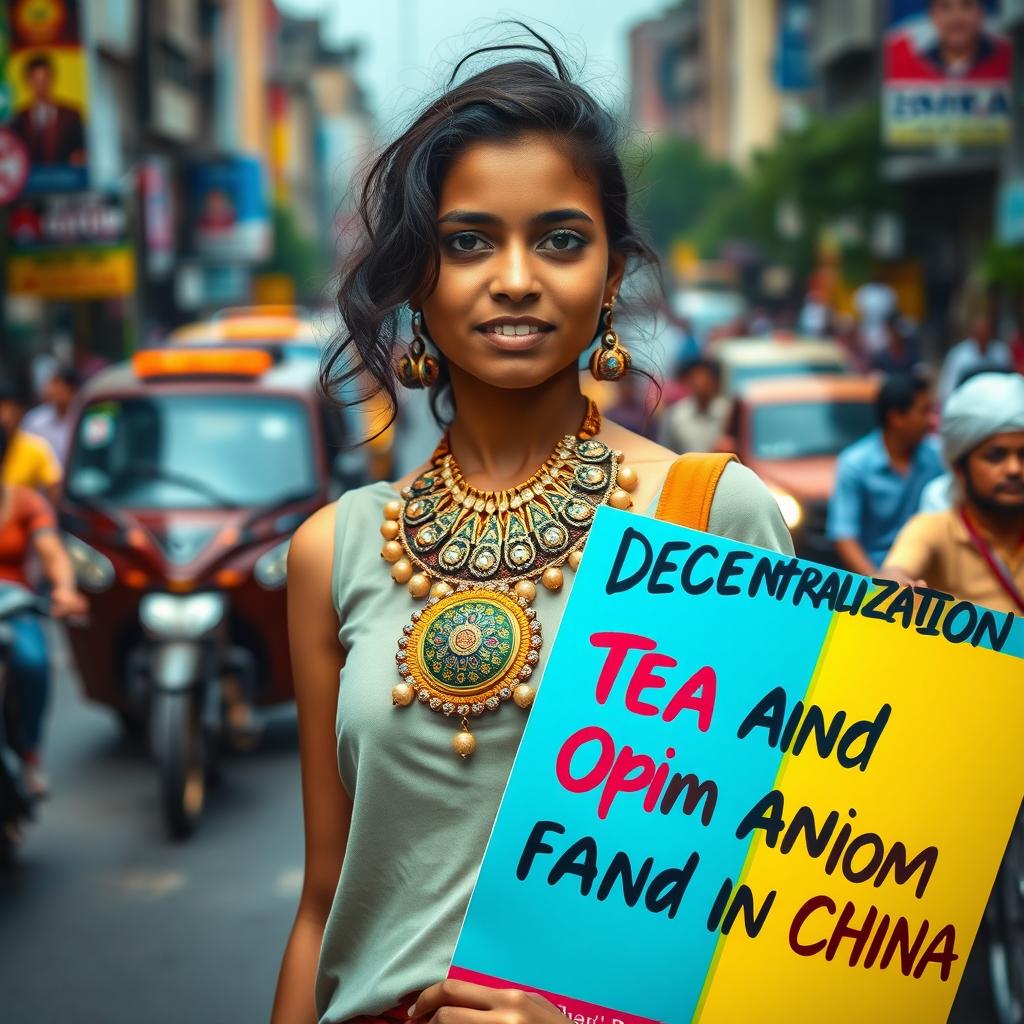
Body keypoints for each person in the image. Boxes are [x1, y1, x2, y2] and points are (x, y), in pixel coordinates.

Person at [272, 33, 793, 1024]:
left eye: (559, 239)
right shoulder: (333, 547)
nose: (514, 277)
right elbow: (321, 901)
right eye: (469, 241)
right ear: (417, 275)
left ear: (609, 276)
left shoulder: (707, 513)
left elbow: (769, 912)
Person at [883, 372, 1024, 613]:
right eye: (995, 456)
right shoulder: (935, 528)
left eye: (1023, 455)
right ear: (959, 467)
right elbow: (895, 571)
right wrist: (895, 585)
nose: (1014, 469)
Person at [0, 427, 88, 797]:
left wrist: (65, 589)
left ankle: (31, 753)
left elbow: (52, 553)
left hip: (13, 604)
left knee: (33, 662)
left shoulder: (24, 502)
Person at [827, 372, 944, 576]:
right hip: (877, 575)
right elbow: (844, 535)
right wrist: (880, 585)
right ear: (896, 418)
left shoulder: (937, 456)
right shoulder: (855, 464)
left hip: (930, 578)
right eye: (924, 411)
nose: (931, 420)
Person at [887, 0, 1012, 81]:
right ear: (932, 15)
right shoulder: (916, 61)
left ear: (981, 12)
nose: (956, 17)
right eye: (945, 7)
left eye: (966, 5)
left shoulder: (1007, 58)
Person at [9, 53, 86, 166]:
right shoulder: (19, 118)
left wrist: (80, 156)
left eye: (45, 79)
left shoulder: (71, 115)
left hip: (65, 178)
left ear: (52, 79)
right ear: (28, 82)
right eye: (36, 80)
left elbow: (82, 149)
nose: (41, 86)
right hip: (32, 180)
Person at [0, 382, 62, 501]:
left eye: (10, 411)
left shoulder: (36, 448)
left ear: (20, 412)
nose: (5, 418)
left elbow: (54, 488)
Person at [938, 312, 1013, 404]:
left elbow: (1008, 384)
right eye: (979, 332)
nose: (983, 335)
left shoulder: (1001, 352)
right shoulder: (958, 355)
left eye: (986, 332)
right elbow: (947, 390)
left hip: (996, 405)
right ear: (972, 333)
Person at [661, 356, 731, 454]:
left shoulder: (728, 412)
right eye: (696, 379)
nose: (700, 383)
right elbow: (666, 449)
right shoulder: (677, 414)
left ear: (715, 383)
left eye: (705, 379)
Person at [21, 366, 80, 467]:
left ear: (73, 390)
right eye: (53, 385)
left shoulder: (82, 418)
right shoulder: (35, 420)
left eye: (60, 386)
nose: (53, 391)